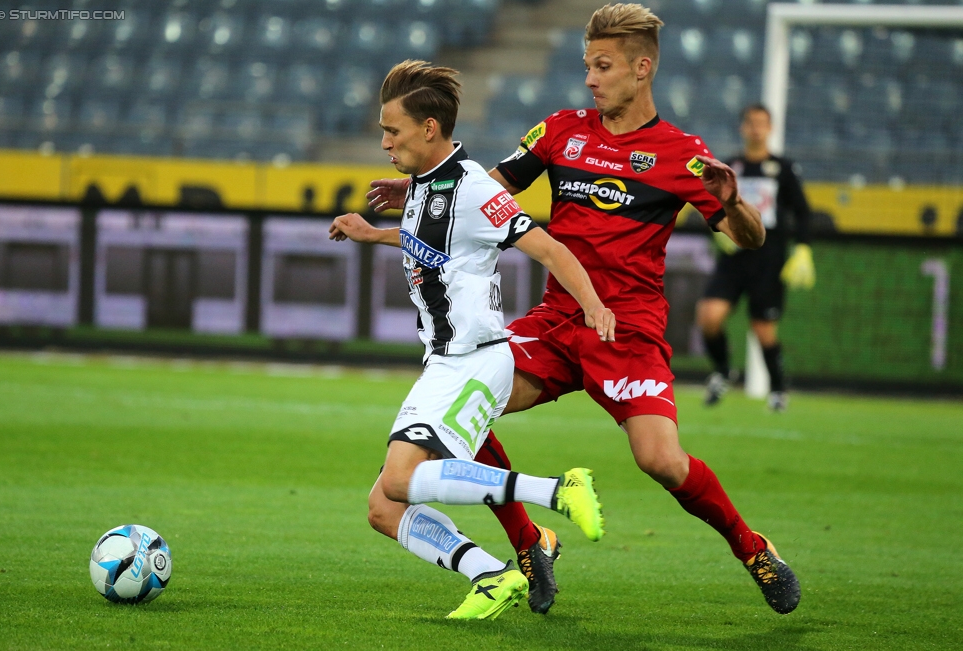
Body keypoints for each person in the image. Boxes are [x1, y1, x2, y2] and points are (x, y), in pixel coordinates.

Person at [366, 4, 801, 615]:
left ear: (642, 68)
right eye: (587, 66)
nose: (591, 80)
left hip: (627, 330)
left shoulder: (682, 155)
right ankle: (529, 541)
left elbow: (749, 239)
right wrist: (416, 188)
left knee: (661, 461)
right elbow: (482, 187)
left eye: (604, 67)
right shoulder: (560, 132)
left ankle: (753, 548)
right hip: (556, 321)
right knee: (469, 398)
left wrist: (733, 206)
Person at [329, 60, 615, 621]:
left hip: (475, 360)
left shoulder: (476, 189)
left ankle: (557, 490)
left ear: (429, 128)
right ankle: (489, 573)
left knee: (399, 478)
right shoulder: (424, 182)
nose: (384, 142)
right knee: (382, 508)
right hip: (444, 362)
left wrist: (594, 305)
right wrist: (373, 235)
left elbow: (551, 249)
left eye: (393, 131)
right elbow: (437, 249)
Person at [696, 103, 814, 412]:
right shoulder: (730, 166)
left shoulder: (783, 169)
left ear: (770, 128)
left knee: (763, 329)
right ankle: (723, 371)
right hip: (734, 259)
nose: (756, 128)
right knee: (709, 316)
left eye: (762, 123)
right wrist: (718, 232)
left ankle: (777, 390)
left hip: (768, 260)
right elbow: (709, 204)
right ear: (742, 128)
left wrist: (802, 249)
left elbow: (802, 213)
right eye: (750, 122)